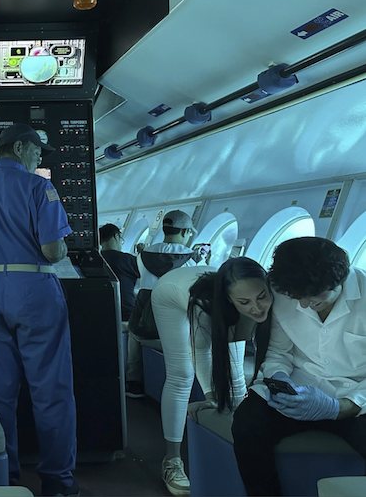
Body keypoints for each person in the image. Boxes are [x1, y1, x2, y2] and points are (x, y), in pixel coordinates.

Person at [0, 122, 78, 496]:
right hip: (35, 291)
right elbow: (53, 251)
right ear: (21, 147)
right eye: (38, 151)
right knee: (51, 389)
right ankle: (57, 483)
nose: (40, 159)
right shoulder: (41, 187)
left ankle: (4, 476)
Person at [232, 237, 366, 496]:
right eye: (298, 298)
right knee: (247, 427)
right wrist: (280, 378)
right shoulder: (284, 291)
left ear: (340, 280)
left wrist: (342, 407)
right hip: (300, 386)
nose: (303, 305)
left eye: (315, 299)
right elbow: (279, 351)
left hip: (357, 397)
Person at [150, 258, 273, 495]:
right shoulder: (206, 307)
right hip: (170, 293)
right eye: (246, 303)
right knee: (181, 374)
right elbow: (202, 352)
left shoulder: (264, 295)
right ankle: (172, 460)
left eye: (261, 298)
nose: (257, 308)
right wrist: (211, 396)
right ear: (230, 300)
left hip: (224, 293)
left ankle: (236, 453)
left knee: (236, 373)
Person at [125, 210, 201, 400]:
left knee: (134, 333)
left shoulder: (142, 256)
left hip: (142, 327)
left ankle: (133, 381)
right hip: (171, 331)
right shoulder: (193, 260)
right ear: (184, 232)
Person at [99, 224, 140, 321]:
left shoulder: (96, 260)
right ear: (116, 236)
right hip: (126, 312)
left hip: (103, 311)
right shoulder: (127, 260)